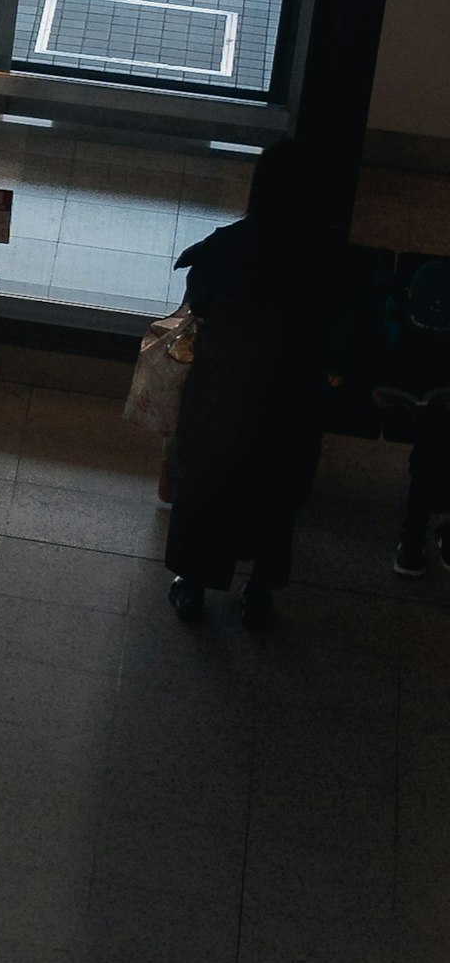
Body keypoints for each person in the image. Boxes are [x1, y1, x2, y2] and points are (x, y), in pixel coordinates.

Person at [165, 171, 327, 629]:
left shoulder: (228, 244)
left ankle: (194, 583)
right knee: (276, 490)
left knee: (206, 482)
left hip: (226, 384)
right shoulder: (321, 255)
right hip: (293, 393)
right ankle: (258, 592)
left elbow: (200, 302)